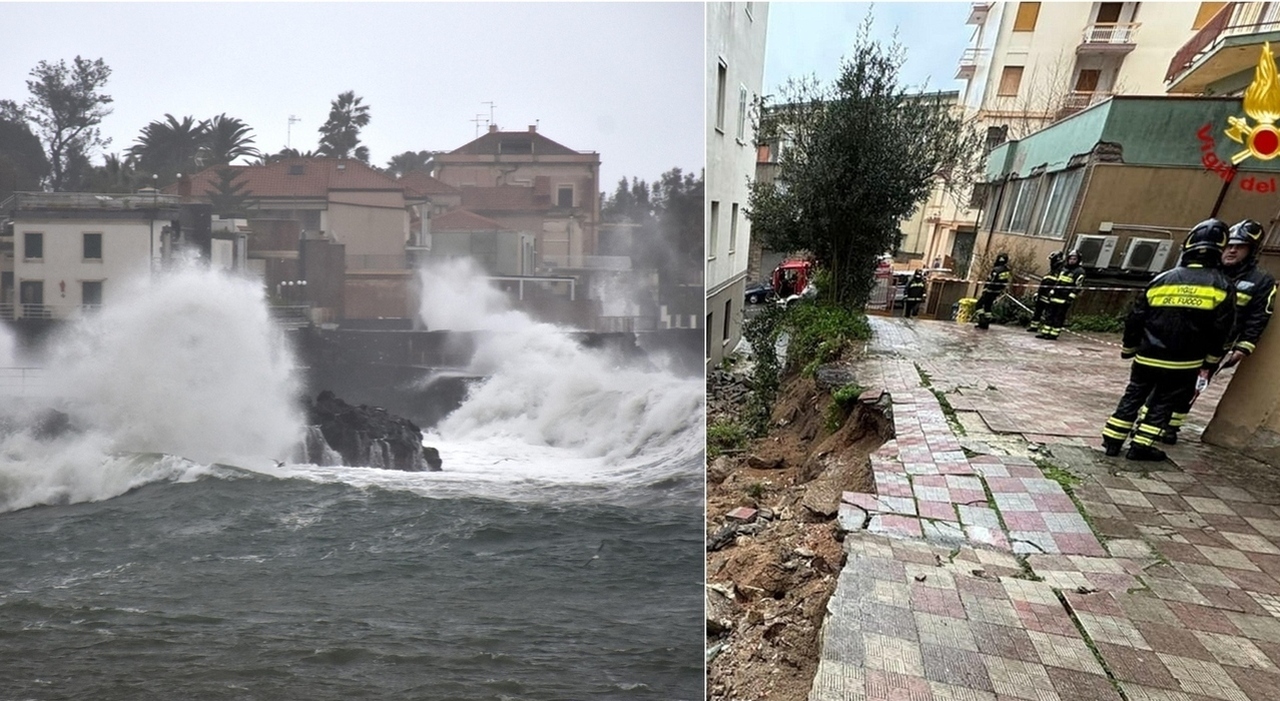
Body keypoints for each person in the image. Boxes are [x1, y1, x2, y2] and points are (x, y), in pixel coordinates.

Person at [1101, 219, 1235, 461]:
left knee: (1133, 395)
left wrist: (1129, 346)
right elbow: (1221, 331)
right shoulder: (1223, 286)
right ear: (1220, 250)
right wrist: (1210, 361)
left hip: (1147, 357)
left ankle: (1112, 441)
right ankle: (1140, 447)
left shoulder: (1162, 279)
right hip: (1184, 363)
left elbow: (1136, 317)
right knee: (1162, 403)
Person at [1157, 218, 1276, 444]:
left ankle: (1170, 426)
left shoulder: (1260, 281)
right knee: (1163, 381)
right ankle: (1150, 423)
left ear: (1251, 251)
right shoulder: (1207, 271)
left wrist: (1244, 347)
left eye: (1239, 246)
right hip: (1184, 339)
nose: (1232, 250)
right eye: (1229, 245)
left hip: (1214, 347)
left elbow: (1259, 316)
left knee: (1193, 386)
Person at [1037, 250, 1085, 340]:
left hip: (1065, 298)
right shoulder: (1064, 269)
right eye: (1070, 258)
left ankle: (1053, 334)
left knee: (1058, 316)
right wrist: (1052, 290)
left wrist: (1071, 297)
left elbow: (1078, 286)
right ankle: (1045, 332)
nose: (1072, 260)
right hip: (1055, 296)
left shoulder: (1079, 272)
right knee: (1049, 315)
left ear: (1078, 260)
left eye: (1074, 259)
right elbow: (1058, 281)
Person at [1028, 251, 1065, 333]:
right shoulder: (1052, 271)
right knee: (1037, 312)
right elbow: (1044, 283)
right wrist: (1038, 293)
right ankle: (1034, 327)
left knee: (1049, 315)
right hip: (1042, 295)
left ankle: (1045, 330)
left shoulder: (1060, 271)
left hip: (1050, 297)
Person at [974, 252, 1011, 330]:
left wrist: (985, 289)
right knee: (988, 306)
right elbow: (1005, 282)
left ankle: (982, 321)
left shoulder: (996, 270)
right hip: (997, 292)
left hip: (989, 291)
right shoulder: (1007, 270)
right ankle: (986, 323)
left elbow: (991, 280)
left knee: (978, 305)